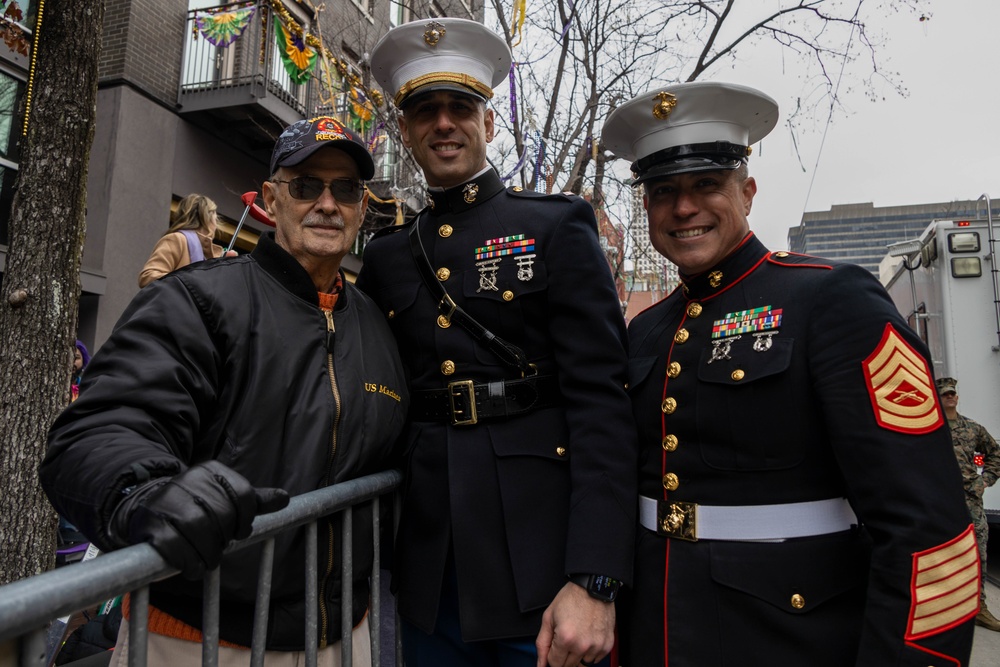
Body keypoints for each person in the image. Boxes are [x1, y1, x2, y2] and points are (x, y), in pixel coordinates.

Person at [602, 81, 977, 666]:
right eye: (662, 192)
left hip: (789, 640)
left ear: (748, 192)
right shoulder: (646, 332)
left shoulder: (831, 299)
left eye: (707, 184)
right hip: (660, 633)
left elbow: (927, 530)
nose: (683, 207)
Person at [40, 116, 409, 665]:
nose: (328, 204)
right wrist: (146, 494)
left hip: (343, 640)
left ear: (361, 207)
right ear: (270, 199)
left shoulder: (378, 326)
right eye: (306, 185)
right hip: (199, 639)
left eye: (346, 189)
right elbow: (98, 431)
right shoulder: (193, 302)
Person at [357, 17, 638, 667]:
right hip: (431, 569)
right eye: (426, 110)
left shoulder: (558, 226)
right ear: (405, 129)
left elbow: (601, 403)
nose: (444, 123)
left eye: (461, 107)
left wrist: (595, 576)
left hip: (540, 572)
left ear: (489, 124)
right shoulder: (389, 257)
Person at [938, 376, 1000, 632]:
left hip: (971, 503)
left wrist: (984, 481)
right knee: (942, 556)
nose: (950, 397)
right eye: (945, 394)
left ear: (957, 397)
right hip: (941, 502)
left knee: (978, 555)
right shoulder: (931, 430)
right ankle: (945, 611)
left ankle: (978, 609)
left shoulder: (973, 428)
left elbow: (995, 454)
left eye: (952, 393)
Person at [138, 193, 231, 287]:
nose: (216, 226)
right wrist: (189, 283)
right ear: (207, 218)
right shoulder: (177, 239)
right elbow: (148, 276)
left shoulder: (213, 256)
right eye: (215, 220)